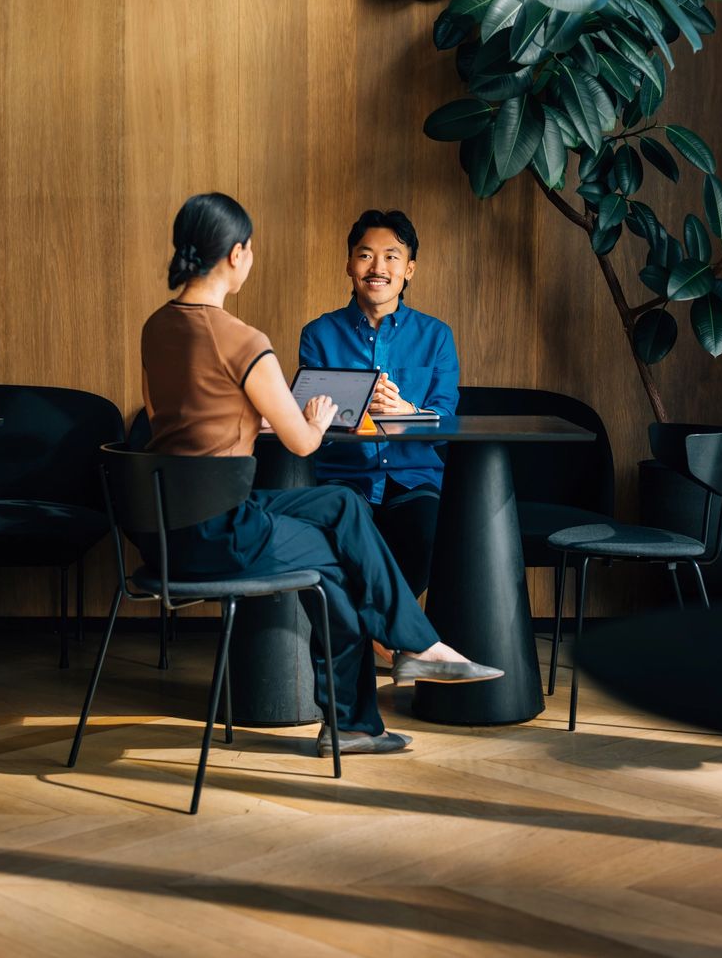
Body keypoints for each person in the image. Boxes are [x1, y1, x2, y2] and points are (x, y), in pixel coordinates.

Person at [140, 192, 501, 757]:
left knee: (341, 506)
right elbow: (304, 441)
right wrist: (314, 415)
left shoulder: (157, 326)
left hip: (165, 523)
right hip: (220, 528)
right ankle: (397, 671)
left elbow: (174, 417)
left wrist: (248, 413)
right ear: (236, 255)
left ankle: (388, 682)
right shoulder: (244, 340)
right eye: (251, 248)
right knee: (332, 565)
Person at [299, 209, 458, 599]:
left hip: (413, 479)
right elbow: (308, 423)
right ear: (350, 265)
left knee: (431, 532)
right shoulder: (318, 335)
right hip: (343, 477)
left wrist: (409, 412)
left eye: (392, 256)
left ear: (409, 270)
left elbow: (447, 422)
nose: (378, 267)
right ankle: (392, 642)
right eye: (366, 254)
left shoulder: (437, 336)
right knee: (336, 532)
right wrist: (350, 412)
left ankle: (372, 635)